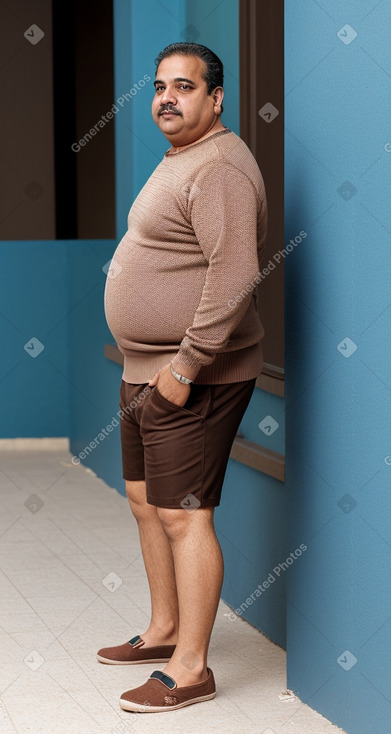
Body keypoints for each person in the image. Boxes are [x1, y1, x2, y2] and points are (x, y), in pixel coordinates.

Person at [101, 41, 268, 713]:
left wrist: (187, 366)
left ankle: (191, 669)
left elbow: (233, 279)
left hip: (190, 376)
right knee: (146, 502)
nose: (168, 97)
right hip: (147, 369)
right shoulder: (183, 159)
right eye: (160, 86)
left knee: (183, 516)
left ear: (215, 98)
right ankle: (165, 629)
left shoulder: (221, 165)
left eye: (185, 86)